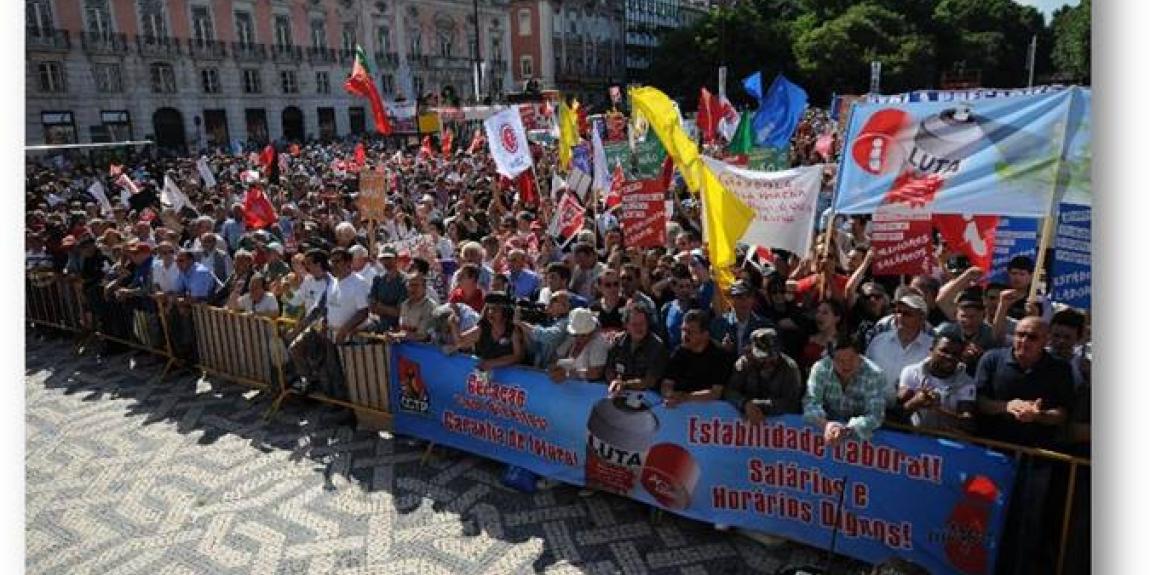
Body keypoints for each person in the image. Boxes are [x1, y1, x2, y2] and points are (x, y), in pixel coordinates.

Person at [803, 333, 887, 443]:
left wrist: (847, 429)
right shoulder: (820, 368)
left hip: (860, 440)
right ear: (831, 359)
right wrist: (826, 425)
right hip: (826, 430)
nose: (847, 365)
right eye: (840, 361)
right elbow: (810, 403)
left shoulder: (874, 375)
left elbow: (876, 415)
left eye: (851, 359)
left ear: (860, 355)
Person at [896, 335, 976, 433]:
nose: (949, 356)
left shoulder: (967, 382)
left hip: (947, 442)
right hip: (913, 438)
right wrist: (915, 402)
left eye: (955, 354)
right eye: (944, 351)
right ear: (931, 351)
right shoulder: (911, 372)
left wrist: (937, 409)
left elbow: (967, 425)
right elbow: (897, 415)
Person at [866, 294, 934, 407]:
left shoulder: (932, 347)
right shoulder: (879, 340)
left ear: (922, 317)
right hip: (875, 411)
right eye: (897, 312)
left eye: (907, 314)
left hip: (912, 415)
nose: (900, 317)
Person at [725, 328, 805, 422]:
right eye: (762, 357)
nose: (768, 361)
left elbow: (792, 403)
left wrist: (757, 405)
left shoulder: (790, 368)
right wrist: (745, 404)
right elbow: (729, 392)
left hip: (781, 424)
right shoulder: (744, 363)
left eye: (772, 356)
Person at [661, 310, 733, 408]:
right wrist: (670, 395)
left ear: (705, 335)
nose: (684, 336)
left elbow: (715, 392)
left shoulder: (719, 355)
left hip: (709, 414)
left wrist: (685, 398)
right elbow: (667, 383)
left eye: (690, 332)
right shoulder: (679, 352)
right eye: (683, 330)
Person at [605, 302, 669, 396]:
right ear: (626, 325)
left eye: (642, 323)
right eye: (634, 324)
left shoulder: (657, 347)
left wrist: (624, 385)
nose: (639, 328)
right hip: (618, 392)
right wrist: (614, 381)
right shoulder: (618, 341)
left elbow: (649, 381)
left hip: (647, 396)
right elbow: (609, 369)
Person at [934, 288, 1002, 377]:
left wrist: (983, 355)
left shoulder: (989, 335)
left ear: (983, 316)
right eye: (963, 316)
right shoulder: (945, 331)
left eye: (973, 317)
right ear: (956, 315)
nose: (968, 321)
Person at [709, 280, 772, 356]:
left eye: (748, 296)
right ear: (731, 300)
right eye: (739, 297)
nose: (744, 301)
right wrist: (722, 349)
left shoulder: (764, 325)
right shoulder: (718, 325)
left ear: (753, 299)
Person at [549, 308, 610, 382]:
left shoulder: (599, 343)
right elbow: (555, 357)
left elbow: (596, 373)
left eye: (583, 335)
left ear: (591, 331)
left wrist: (568, 373)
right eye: (576, 335)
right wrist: (555, 368)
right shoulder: (572, 337)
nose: (579, 338)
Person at [474, 292, 526, 371]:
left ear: (505, 312)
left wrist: (492, 363)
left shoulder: (514, 330)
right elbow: (461, 341)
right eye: (489, 309)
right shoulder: (482, 328)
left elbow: (518, 356)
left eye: (495, 309)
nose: (490, 312)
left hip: (511, 379)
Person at [368, 247, 407, 332]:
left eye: (388, 258)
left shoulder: (404, 280)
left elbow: (399, 311)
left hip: (396, 328)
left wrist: (380, 307)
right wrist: (388, 309)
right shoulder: (378, 279)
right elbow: (371, 306)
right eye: (383, 259)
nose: (385, 262)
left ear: (396, 258)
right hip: (378, 325)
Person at [660, 267, 699, 350]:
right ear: (674, 288)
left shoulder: (697, 308)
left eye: (688, 286)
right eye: (681, 286)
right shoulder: (667, 308)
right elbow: (663, 336)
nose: (685, 290)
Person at [392, 272, 436, 343]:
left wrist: (397, 336)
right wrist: (394, 335)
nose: (412, 289)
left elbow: (422, 336)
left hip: (423, 350)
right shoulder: (404, 305)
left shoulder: (429, 306)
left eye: (416, 285)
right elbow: (403, 329)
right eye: (410, 285)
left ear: (424, 287)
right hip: (405, 348)